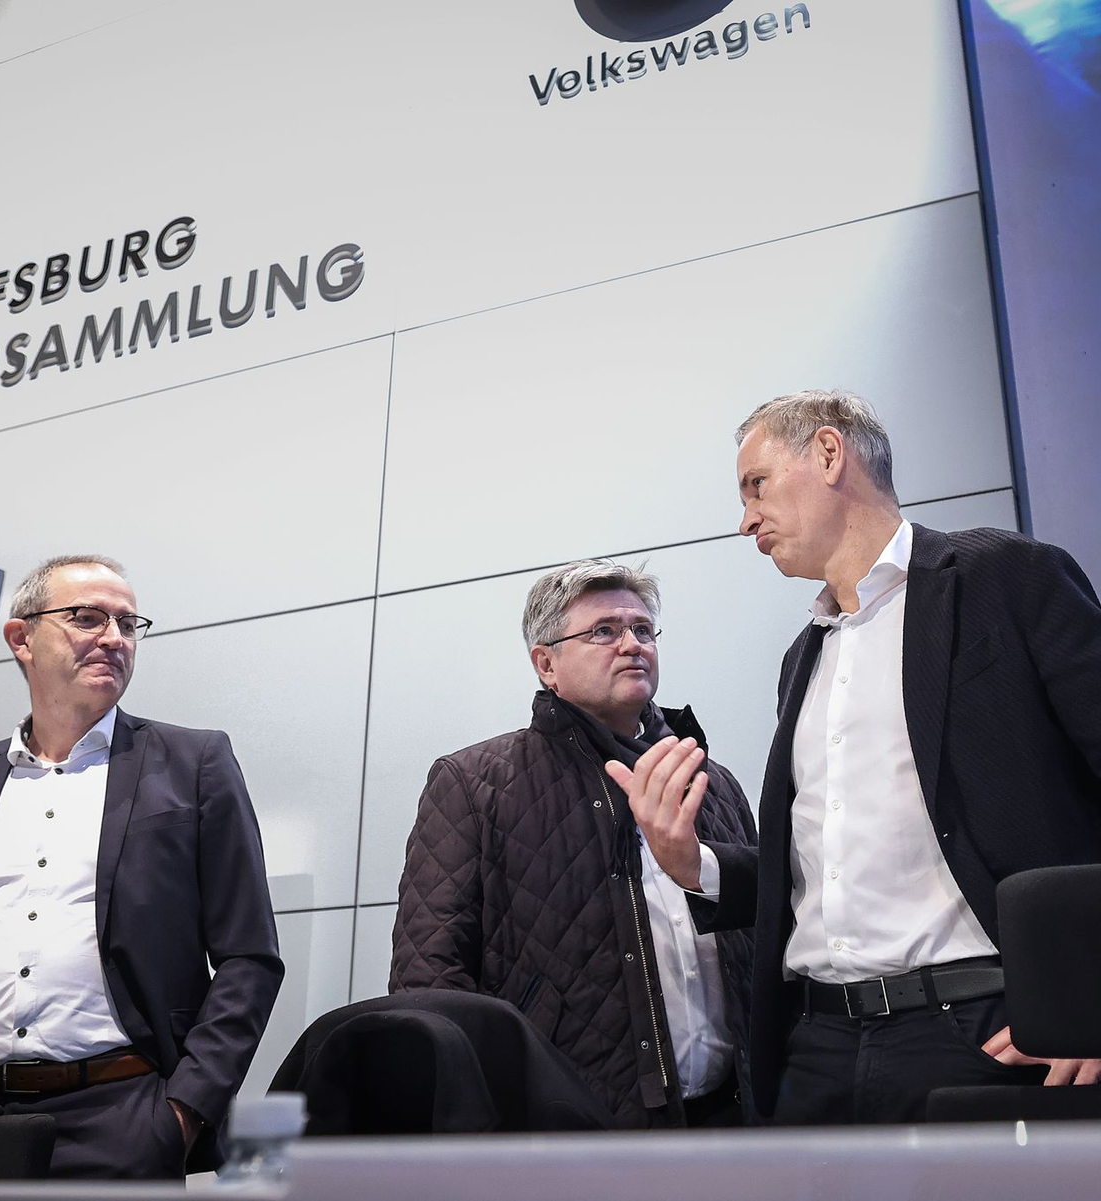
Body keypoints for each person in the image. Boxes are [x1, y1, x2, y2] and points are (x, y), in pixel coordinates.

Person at [608, 389, 1101, 1123]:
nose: (745, 520)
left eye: (756, 485)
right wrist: (693, 864)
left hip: (984, 1033)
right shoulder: (800, 658)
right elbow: (815, 865)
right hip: (817, 1049)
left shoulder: (1008, 579)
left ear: (830, 454)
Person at [0, 555, 283, 1176]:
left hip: (124, 1117)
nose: (114, 638)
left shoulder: (195, 763)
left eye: (129, 625)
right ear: (22, 639)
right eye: (87, 618)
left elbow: (250, 957)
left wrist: (184, 1113)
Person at [390, 560, 756, 1128]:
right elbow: (428, 980)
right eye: (603, 631)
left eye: (642, 629)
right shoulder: (473, 782)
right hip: (570, 1125)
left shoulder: (713, 782)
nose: (631, 644)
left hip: (737, 1120)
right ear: (546, 664)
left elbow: (768, 936)